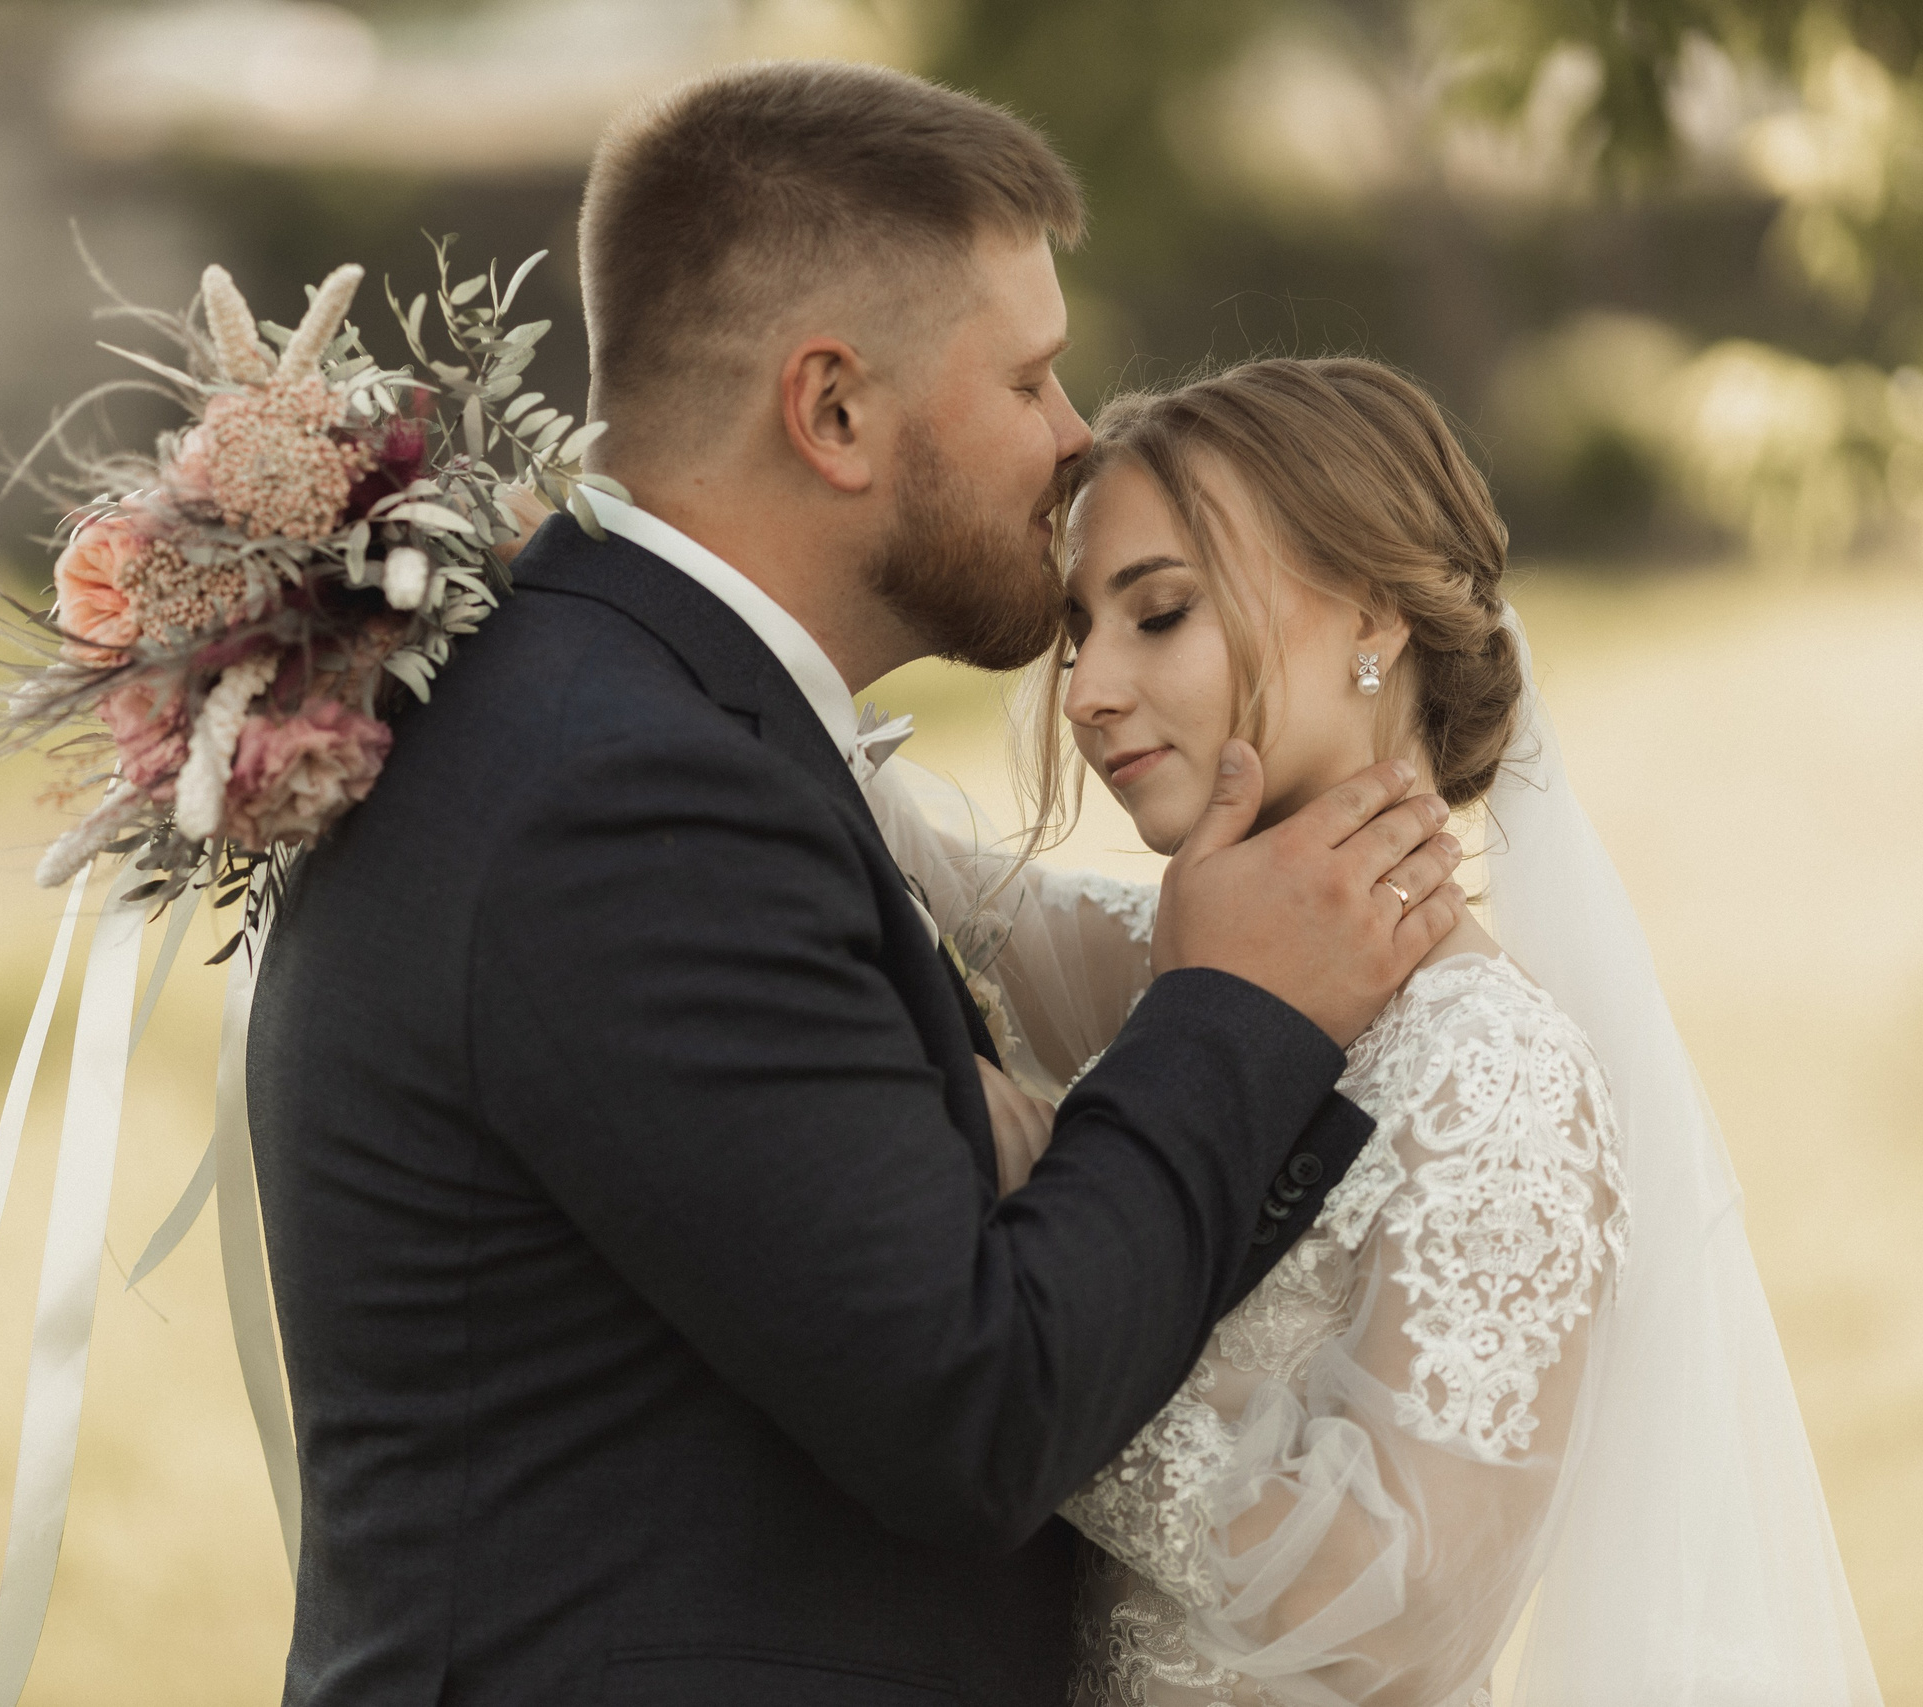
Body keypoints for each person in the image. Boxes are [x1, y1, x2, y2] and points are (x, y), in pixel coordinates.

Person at [242, 61, 1469, 1707]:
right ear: (831, 412)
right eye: (1026, 378)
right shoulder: (629, 796)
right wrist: (1231, 1008)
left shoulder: (618, 713)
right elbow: (978, 1407)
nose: (1075, 435)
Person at [867, 356, 1882, 1704]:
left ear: (1369, 614)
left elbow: (1398, 1611)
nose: (1087, 689)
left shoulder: (1495, 1073)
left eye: (1159, 614)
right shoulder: (1195, 964)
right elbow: (948, 885)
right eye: (1075, 633)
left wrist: (1033, 1295)